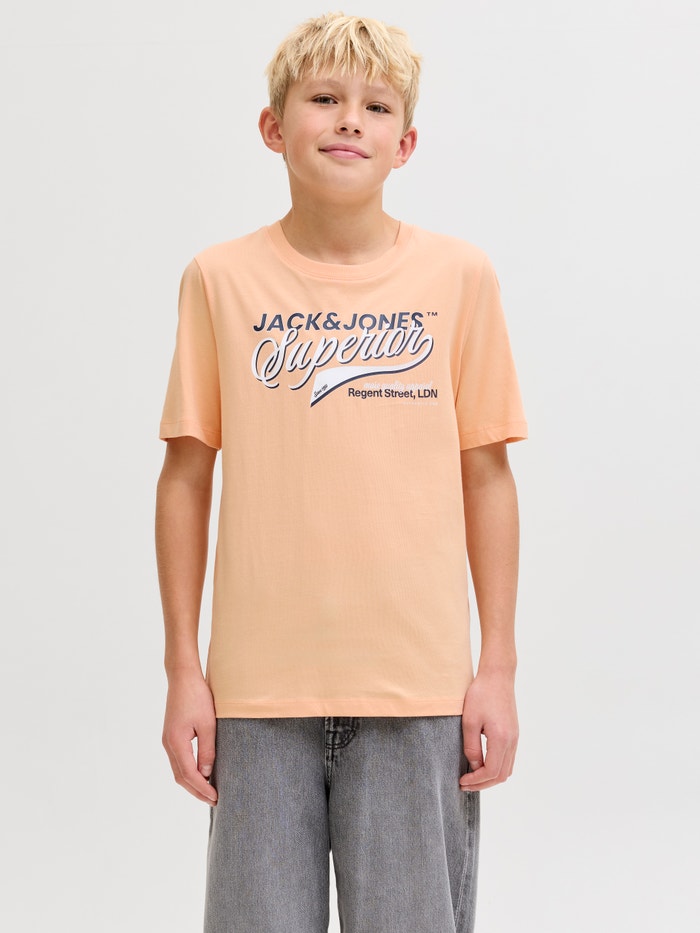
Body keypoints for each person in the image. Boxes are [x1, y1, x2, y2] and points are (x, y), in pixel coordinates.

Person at [155, 12, 527, 933]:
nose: (350, 119)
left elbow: (487, 477)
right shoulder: (220, 280)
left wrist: (498, 667)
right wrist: (183, 670)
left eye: (376, 105)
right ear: (273, 127)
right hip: (255, 697)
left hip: (419, 694)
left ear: (406, 143)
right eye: (324, 98)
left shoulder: (460, 279)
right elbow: (185, 478)